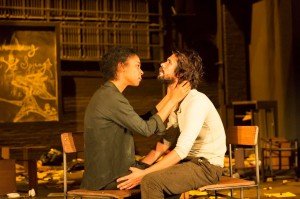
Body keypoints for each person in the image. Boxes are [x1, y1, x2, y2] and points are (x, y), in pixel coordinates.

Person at [117, 49, 227, 199]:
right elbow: (167, 141)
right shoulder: (177, 101)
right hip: (187, 163)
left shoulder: (196, 102)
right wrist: (142, 166)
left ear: (180, 74)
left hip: (206, 167)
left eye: (169, 62)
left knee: (151, 181)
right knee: (143, 180)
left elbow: (181, 150)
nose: (162, 64)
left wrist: (144, 174)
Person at [80, 47, 191, 190]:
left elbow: (141, 121)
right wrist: (173, 100)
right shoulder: (110, 98)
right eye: (137, 66)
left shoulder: (109, 94)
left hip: (112, 173)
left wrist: (170, 97)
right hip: (108, 179)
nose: (141, 71)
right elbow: (146, 129)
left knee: (168, 177)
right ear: (121, 66)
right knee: (169, 184)